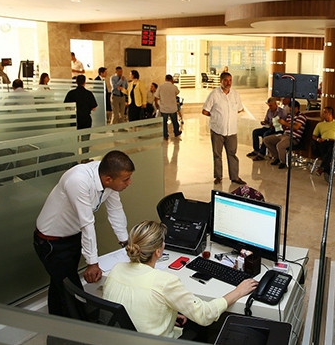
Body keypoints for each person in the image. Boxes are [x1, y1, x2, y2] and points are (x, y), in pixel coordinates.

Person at [103, 221, 257, 340]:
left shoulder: (116, 269)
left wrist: (167, 314)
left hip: (119, 339)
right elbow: (205, 315)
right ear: (158, 251)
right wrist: (238, 291)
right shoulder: (165, 282)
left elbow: (133, 304)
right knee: (199, 327)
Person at [34, 150, 135, 317]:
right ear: (108, 179)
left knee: (60, 286)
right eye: (126, 179)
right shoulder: (78, 180)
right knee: (73, 293)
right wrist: (92, 262)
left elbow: (115, 210)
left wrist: (125, 243)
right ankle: (82, 329)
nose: (129, 182)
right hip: (51, 241)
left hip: (72, 236)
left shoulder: (108, 176)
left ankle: (56, 323)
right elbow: (87, 223)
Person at [202, 72, 246, 185]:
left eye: (230, 80)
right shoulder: (214, 94)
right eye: (226, 80)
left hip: (232, 130)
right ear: (221, 81)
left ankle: (235, 177)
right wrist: (216, 117)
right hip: (217, 130)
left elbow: (239, 109)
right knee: (217, 155)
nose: (228, 83)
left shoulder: (235, 95)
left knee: (232, 154)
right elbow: (205, 111)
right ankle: (218, 176)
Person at [264, 100, 307, 169]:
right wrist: (279, 124)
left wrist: (284, 123)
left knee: (280, 145)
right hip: (284, 134)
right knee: (267, 140)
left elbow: (296, 127)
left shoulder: (301, 116)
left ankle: (283, 162)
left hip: (293, 137)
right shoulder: (289, 116)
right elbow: (286, 126)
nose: (290, 109)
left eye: (292, 108)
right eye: (290, 108)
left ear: (296, 108)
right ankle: (276, 157)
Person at [311, 106, 335, 180]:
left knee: (332, 148)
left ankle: (322, 168)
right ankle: (324, 170)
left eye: (325, 112)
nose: (323, 114)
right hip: (324, 142)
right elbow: (314, 136)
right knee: (330, 150)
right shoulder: (320, 124)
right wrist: (318, 139)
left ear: (330, 114)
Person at [155, 75, 181, 140]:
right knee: (174, 121)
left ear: (165, 79)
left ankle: (165, 135)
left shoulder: (161, 86)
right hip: (172, 108)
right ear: (171, 79)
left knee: (164, 122)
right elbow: (177, 92)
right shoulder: (174, 87)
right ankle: (176, 132)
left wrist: (156, 104)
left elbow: (156, 96)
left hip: (164, 108)